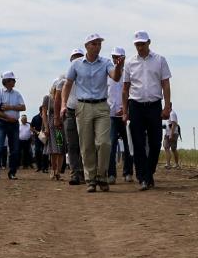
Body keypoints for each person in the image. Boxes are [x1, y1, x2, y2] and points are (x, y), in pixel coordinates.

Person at [60, 33, 123, 192]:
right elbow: (67, 85)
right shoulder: (76, 64)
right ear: (87, 46)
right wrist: (63, 105)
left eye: (99, 44)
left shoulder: (106, 63)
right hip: (83, 106)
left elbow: (115, 77)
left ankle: (102, 176)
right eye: (94, 44)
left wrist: (119, 67)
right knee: (86, 145)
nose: (97, 46)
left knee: (104, 143)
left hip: (102, 106)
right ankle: (91, 179)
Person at [121, 30, 172, 190]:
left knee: (156, 142)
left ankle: (149, 173)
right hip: (136, 105)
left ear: (149, 42)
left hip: (154, 105)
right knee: (138, 143)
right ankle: (143, 177)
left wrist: (167, 106)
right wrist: (125, 110)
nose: (140, 47)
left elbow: (165, 84)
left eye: (142, 44)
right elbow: (125, 88)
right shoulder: (129, 63)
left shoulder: (160, 60)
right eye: (137, 44)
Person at [53, 49, 86, 185]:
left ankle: (85, 172)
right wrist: (56, 117)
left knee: (85, 144)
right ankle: (74, 173)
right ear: (71, 60)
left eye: (79, 57)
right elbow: (57, 99)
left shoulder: (87, 76)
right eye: (74, 57)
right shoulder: (64, 78)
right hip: (70, 112)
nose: (77, 59)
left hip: (85, 111)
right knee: (72, 145)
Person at [0, 71, 25, 180]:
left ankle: (12, 172)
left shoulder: (17, 94)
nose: (15, 81)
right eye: (13, 80)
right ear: (7, 81)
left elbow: (23, 107)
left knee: (14, 149)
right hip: (1, 123)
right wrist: (7, 117)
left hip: (14, 124)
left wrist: (10, 107)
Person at [106, 46, 132, 183]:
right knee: (111, 146)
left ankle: (128, 172)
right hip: (111, 116)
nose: (116, 60)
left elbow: (131, 94)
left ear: (123, 59)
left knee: (128, 146)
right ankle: (111, 174)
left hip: (126, 116)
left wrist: (126, 109)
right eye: (114, 57)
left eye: (119, 57)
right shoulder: (108, 75)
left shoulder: (129, 74)